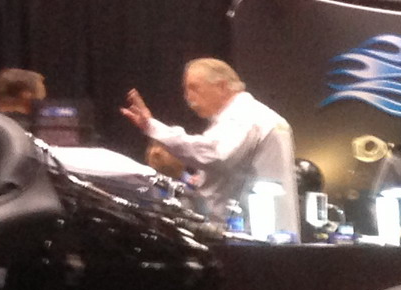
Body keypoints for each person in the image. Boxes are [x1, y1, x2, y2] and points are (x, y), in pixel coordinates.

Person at [122, 58, 297, 235]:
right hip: (264, 232)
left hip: (251, 236)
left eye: (194, 88)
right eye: (186, 90)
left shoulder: (244, 115)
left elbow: (215, 154)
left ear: (222, 86)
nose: (188, 97)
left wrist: (152, 127)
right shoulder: (253, 115)